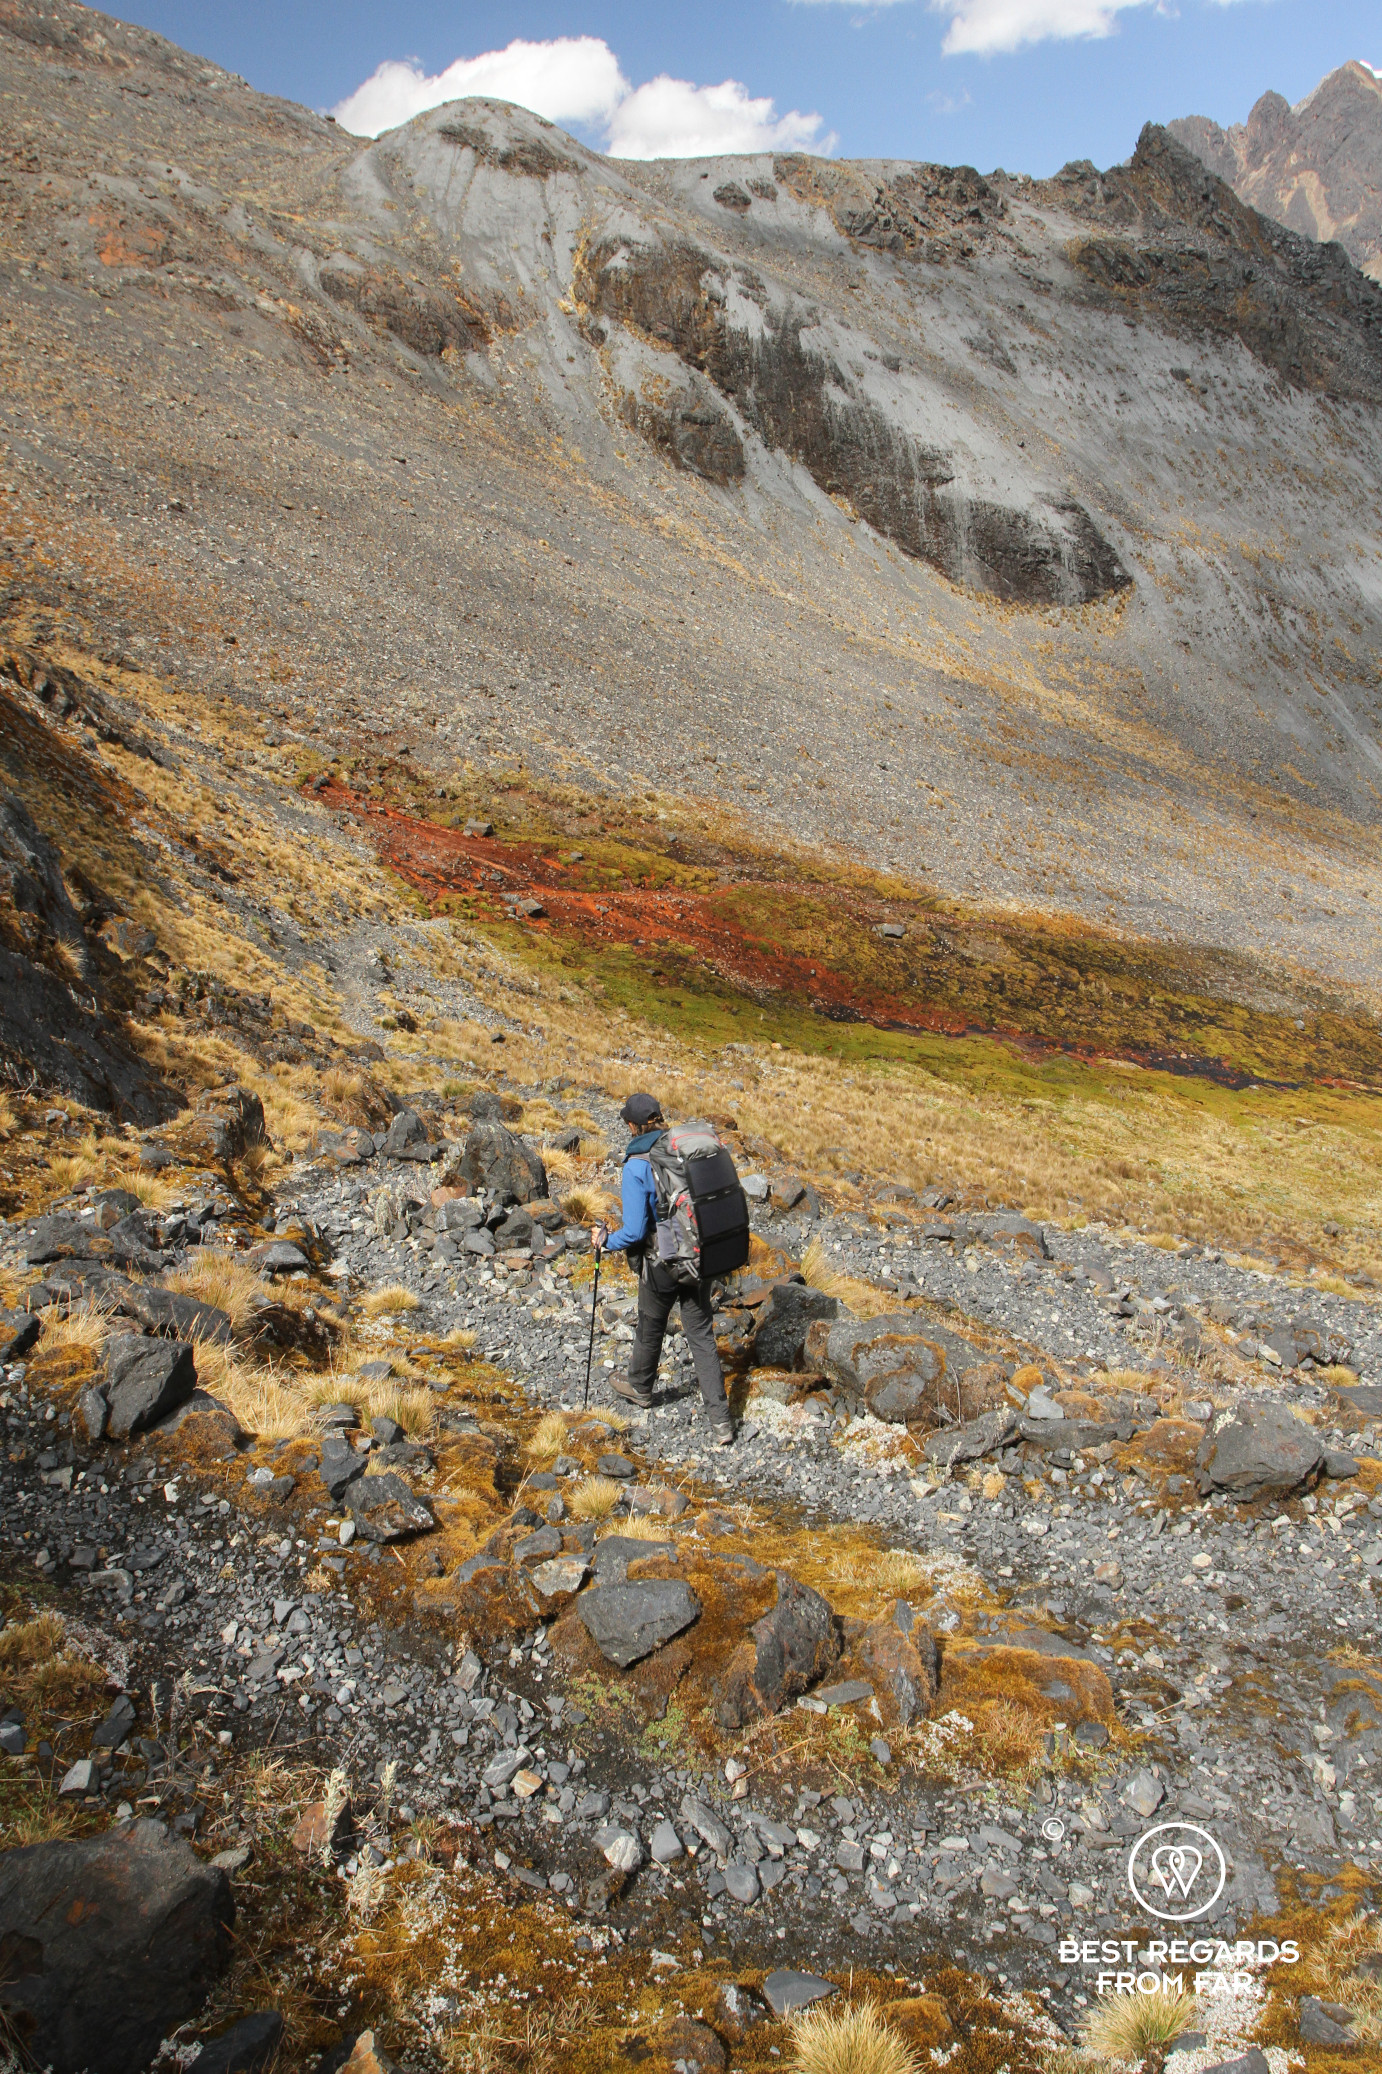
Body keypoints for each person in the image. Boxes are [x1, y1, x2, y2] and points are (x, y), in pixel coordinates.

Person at [591, 1091, 735, 1446]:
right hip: (699, 1255)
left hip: (663, 1262)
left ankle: (640, 1387)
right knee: (700, 1334)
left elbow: (636, 1230)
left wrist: (604, 1241)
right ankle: (721, 1423)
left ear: (631, 1124)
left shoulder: (637, 1164)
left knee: (651, 1320)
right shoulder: (681, 1146)